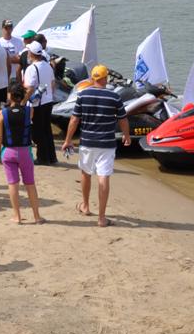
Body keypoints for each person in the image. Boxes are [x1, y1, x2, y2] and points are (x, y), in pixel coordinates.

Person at [61, 64, 130, 227]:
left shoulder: (83, 95)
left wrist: (67, 140)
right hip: (106, 143)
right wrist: (126, 135)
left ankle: (85, 205)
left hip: (87, 142)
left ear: (93, 79)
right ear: (105, 78)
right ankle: (101, 218)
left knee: (85, 173)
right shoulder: (114, 97)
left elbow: (74, 119)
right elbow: (123, 119)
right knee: (103, 176)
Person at [0, 83, 43, 224]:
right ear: (22, 96)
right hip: (24, 152)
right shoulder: (30, 111)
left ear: (10, 95)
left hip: (8, 152)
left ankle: (17, 216)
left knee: (13, 184)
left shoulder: (2, 113)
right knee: (30, 184)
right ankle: (36, 216)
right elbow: (21, 108)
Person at [22, 41, 57, 165]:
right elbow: (53, 83)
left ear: (31, 53)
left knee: (38, 131)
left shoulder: (31, 68)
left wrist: (23, 102)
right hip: (48, 101)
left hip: (38, 103)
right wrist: (50, 96)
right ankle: (51, 156)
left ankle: (42, 157)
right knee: (47, 129)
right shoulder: (47, 65)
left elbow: (29, 88)